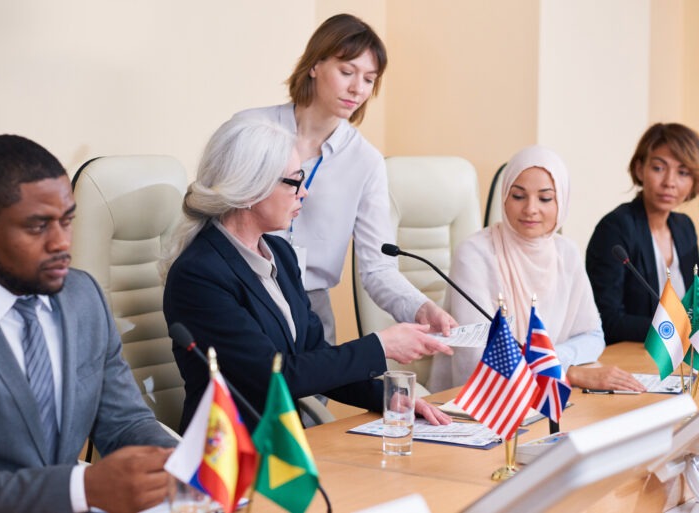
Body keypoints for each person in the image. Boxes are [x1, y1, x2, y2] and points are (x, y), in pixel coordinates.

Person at [0, 135, 178, 513]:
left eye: (67, 221)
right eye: (38, 226)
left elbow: (125, 423)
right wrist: (83, 488)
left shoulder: (82, 297)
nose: (62, 243)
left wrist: (184, 465)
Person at [162, 117, 452, 431]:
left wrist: (388, 396)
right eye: (294, 181)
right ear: (249, 189)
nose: (305, 193)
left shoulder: (281, 253)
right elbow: (274, 378)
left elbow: (314, 357)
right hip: (230, 455)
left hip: (286, 446)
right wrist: (380, 346)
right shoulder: (199, 275)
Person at [232, 13, 456, 345]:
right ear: (314, 65)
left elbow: (378, 269)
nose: (357, 88)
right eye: (347, 72)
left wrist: (421, 308)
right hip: (240, 294)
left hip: (311, 307)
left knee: (313, 396)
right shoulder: (248, 130)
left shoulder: (366, 162)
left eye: (369, 79)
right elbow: (211, 216)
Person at [427, 146, 644, 393]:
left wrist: (549, 362)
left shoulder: (566, 252)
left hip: (549, 392)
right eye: (518, 196)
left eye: (545, 198)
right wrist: (568, 371)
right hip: (482, 401)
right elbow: (478, 357)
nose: (531, 209)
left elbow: (593, 337)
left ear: (561, 200)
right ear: (504, 197)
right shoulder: (474, 253)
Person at [587, 123, 699, 344]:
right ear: (640, 169)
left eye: (683, 172)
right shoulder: (615, 228)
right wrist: (677, 330)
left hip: (680, 358)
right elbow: (606, 320)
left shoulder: (685, 227)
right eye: (658, 168)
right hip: (631, 358)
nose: (669, 182)